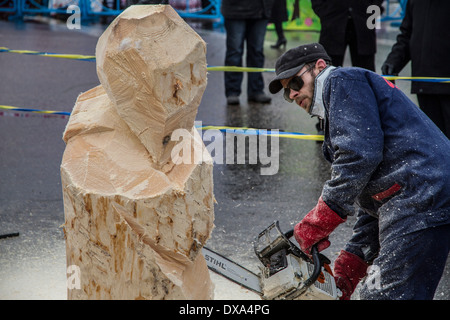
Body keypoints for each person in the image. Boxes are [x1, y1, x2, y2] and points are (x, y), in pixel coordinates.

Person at [268, 43, 450, 300]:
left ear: (320, 67)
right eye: (288, 93)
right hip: (414, 195)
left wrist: (320, 220)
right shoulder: (340, 107)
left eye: (296, 83)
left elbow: (359, 156)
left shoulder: (341, 80)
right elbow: (375, 197)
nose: (293, 94)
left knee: (383, 296)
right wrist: (347, 270)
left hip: (421, 193)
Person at [381, 0, 450, 139]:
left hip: (446, 83)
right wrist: (393, 61)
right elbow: (406, 35)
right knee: (434, 142)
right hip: (424, 83)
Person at [221, 0, 274, 105]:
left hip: (261, 10)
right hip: (235, 10)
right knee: (235, 52)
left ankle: (256, 90)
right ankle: (232, 91)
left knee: (257, 52)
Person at [310, 0, 383, 72]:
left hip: (364, 21)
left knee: (365, 72)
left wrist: (374, 11)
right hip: (332, 22)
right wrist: (324, 13)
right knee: (329, 71)